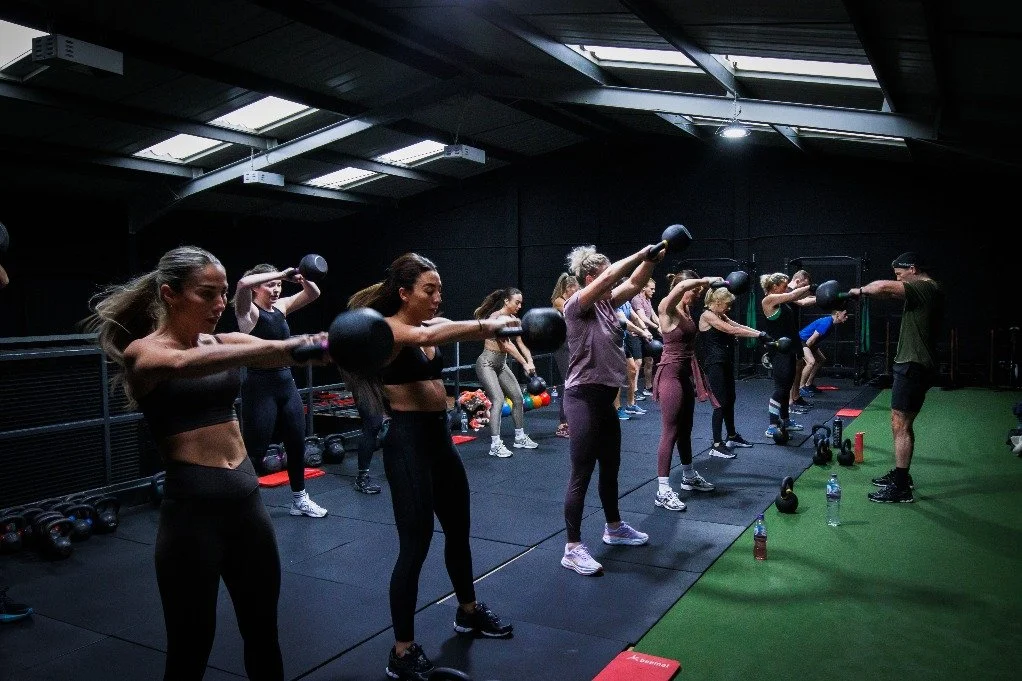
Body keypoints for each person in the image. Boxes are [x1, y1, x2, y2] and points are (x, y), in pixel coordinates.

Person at [84, 245, 332, 681]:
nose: (220, 304)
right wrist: (257, 352)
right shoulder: (144, 353)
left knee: (264, 634)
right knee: (190, 647)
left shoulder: (225, 340)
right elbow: (183, 361)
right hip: (192, 518)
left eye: (223, 293)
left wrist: (338, 342)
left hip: (248, 508)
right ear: (169, 294)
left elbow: (287, 348)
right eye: (207, 294)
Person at [347, 253, 515, 680]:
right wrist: (487, 325)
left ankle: (468, 610)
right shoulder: (385, 330)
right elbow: (449, 329)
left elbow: (442, 329)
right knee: (415, 546)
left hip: (440, 442)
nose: (438, 297)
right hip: (407, 445)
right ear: (403, 292)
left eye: (440, 289)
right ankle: (402, 651)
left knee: (459, 532)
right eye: (429, 290)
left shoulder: (426, 329)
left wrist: (495, 325)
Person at [560, 243, 663, 576]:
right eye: (604, 274)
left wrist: (649, 259)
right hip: (582, 398)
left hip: (605, 399)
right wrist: (639, 252)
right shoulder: (578, 304)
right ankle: (572, 548)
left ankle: (613, 527)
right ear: (592, 277)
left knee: (611, 466)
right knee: (582, 473)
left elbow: (633, 284)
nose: (611, 279)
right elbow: (614, 276)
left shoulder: (609, 305)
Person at [233, 263, 328, 518]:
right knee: (255, 450)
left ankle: (299, 499)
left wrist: (301, 279)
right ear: (256, 288)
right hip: (259, 386)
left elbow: (314, 293)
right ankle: (242, 504)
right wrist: (282, 274)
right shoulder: (248, 312)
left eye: (278, 286)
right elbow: (241, 284)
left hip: (286, 383)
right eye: (270, 285)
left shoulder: (281, 307)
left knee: (297, 443)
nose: (276, 289)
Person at [848, 252, 943, 503]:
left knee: (901, 424)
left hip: (914, 365)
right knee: (900, 422)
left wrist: (858, 291)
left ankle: (901, 487)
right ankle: (902, 476)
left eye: (900, 275)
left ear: (912, 269)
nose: (898, 279)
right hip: (911, 364)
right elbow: (886, 292)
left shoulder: (925, 287)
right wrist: (867, 293)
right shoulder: (921, 290)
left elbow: (881, 287)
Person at [650, 271, 721, 512]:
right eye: (696, 291)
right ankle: (662, 489)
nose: (698, 294)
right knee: (670, 431)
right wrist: (706, 280)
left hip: (685, 374)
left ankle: (688, 476)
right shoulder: (666, 308)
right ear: (681, 287)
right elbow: (684, 287)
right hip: (670, 374)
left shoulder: (687, 311)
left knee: (686, 430)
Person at [698, 285, 766, 459]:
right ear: (717, 301)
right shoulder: (707, 315)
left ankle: (732, 436)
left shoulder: (720, 314)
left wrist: (761, 333)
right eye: (727, 305)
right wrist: (758, 336)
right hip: (714, 363)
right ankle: (716, 444)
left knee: (730, 399)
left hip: (724, 361)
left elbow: (737, 325)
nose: (729, 308)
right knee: (720, 403)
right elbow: (731, 330)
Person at [473, 287, 539, 457]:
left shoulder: (514, 320)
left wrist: (530, 361)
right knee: (498, 399)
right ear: (507, 301)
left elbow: (520, 341)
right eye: (517, 302)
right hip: (486, 363)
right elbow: (507, 345)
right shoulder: (496, 319)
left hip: (501, 365)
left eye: (521, 303)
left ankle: (519, 437)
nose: (519, 306)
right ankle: (495, 444)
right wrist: (524, 363)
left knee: (517, 397)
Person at [760, 272, 812, 440]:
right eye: (783, 285)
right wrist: (811, 287)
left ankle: (785, 420)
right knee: (780, 389)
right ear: (774, 287)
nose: (786, 288)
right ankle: (772, 426)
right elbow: (793, 294)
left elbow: (801, 299)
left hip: (790, 349)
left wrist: (824, 296)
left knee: (786, 388)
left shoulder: (782, 298)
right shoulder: (768, 300)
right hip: (779, 351)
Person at [550, 273, 580, 438]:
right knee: (567, 383)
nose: (577, 291)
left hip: (572, 345)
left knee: (573, 383)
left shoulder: (569, 299)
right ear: (568, 288)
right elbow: (573, 310)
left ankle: (572, 420)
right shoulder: (559, 301)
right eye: (574, 288)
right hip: (563, 347)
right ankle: (563, 423)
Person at [797, 309, 850, 397]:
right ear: (837, 314)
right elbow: (810, 340)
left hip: (809, 342)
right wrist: (804, 355)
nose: (847, 317)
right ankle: (800, 388)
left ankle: (808, 384)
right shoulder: (826, 323)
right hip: (801, 341)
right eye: (845, 314)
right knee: (811, 362)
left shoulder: (832, 323)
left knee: (821, 360)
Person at [786, 269, 816, 413]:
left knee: (799, 366)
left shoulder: (792, 295)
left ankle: (796, 397)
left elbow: (803, 302)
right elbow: (800, 300)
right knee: (791, 369)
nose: (805, 289)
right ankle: (790, 402)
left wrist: (824, 296)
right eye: (804, 285)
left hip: (794, 334)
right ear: (798, 281)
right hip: (785, 337)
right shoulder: (785, 292)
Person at [632, 278, 660, 396]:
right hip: (635, 334)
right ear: (643, 287)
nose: (653, 291)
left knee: (649, 360)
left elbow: (653, 315)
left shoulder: (647, 299)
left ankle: (648, 387)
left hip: (645, 334)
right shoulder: (637, 299)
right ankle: (635, 390)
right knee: (637, 362)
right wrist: (656, 327)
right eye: (651, 289)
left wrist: (661, 326)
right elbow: (642, 318)